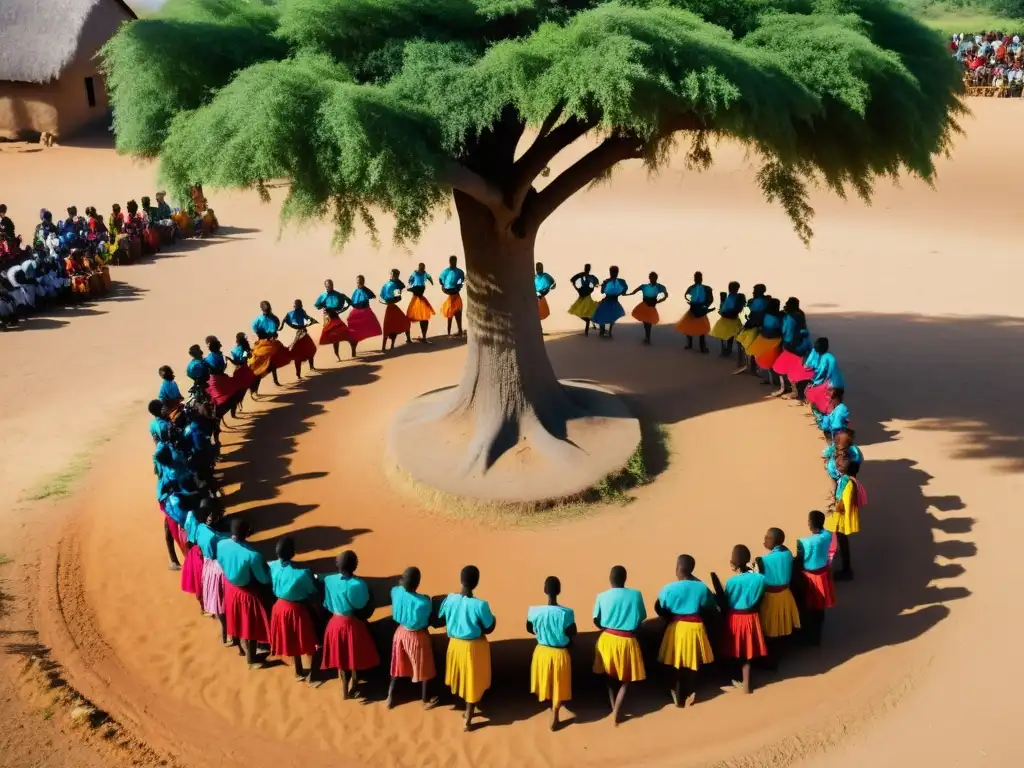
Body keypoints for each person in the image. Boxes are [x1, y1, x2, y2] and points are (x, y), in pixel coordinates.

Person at [436, 565, 496, 731]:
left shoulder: (450, 599)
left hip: (455, 645)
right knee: (473, 681)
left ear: (460, 580)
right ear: (476, 582)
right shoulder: (480, 605)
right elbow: (490, 627)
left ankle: (467, 711)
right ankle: (468, 717)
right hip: (473, 648)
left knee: (463, 678)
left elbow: (440, 618)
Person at [654, 555, 717, 708]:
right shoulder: (701, 587)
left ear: (678, 569)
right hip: (695, 628)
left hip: (676, 628)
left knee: (675, 662)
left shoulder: (668, 588)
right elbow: (709, 606)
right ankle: (690, 690)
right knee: (692, 662)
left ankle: (677, 692)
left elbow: (658, 607)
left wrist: (668, 616)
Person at [320, 550, 379, 698]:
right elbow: (361, 604)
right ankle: (352, 684)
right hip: (351, 625)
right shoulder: (357, 584)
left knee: (341, 658)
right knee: (352, 656)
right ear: (355, 566)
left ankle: (346, 688)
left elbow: (326, 602)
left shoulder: (329, 580)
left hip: (334, 623)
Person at [592, 564, 646, 724]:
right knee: (626, 679)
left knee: (609, 676)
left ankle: (612, 704)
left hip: (607, 639)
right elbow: (641, 617)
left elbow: (596, 620)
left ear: (610, 579)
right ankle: (617, 710)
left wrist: (606, 628)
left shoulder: (601, 596)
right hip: (628, 640)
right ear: (625, 579)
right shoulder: (636, 595)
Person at [216, 518, 273, 668]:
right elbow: (263, 579)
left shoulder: (221, 544)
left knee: (235, 617)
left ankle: (239, 644)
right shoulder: (252, 555)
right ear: (247, 533)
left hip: (230, 587)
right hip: (246, 592)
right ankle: (252, 659)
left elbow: (221, 562)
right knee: (250, 624)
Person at [710, 545, 767, 694]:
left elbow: (727, 600)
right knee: (748, 650)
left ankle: (743, 682)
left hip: (735, 618)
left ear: (732, 564)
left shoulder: (732, 582)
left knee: (737, 650)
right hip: (752, 617)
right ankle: (746, 681)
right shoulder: (760, 578)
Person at [527, 576, 577, 730]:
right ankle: (555, 712)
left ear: (544, 590)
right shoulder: (566, 613)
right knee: (558, 684)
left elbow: (529, 629)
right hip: (559, 654)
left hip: (541, 653)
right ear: (559, 591)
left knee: (546, 681)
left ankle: (550, 707)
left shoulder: (534, 611)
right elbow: (572, 632)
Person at [269, 537, 320, 682]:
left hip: (278, 608)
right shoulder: (302, 573)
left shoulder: (273, 566)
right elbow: (312, 591)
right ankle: (312, 674)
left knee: (291, 639)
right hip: (296, 610)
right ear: (292, 552)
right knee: (309, 638)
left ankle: (297, 670)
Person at [387, 566, 438, 709]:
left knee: (396, 666)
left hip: (400, 633)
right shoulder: (423, 602)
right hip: (417, 637)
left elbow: (397, 588)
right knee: (425, 666)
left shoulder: (395, 592)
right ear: (417, 584)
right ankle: (425, 698)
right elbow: (426, 619)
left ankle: (390, 695)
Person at [754, 529, 801, 660]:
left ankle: (772, 659)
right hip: (786, 595)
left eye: (768, 538)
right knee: (783, 622)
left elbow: (758, 578)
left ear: (774, 541)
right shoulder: (787, 553)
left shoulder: (762, 560)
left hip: (771, 598)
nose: (764, 539)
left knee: (770, 627)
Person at [795, 511, 835, 645]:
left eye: (809, 520)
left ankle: (810, 637)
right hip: (823, 575)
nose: (808, 523)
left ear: (811, 524)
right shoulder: (828, 535)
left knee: (809, 606)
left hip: (810, 578)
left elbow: (799, 561)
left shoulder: (803, 542)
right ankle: (818, 634)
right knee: (819, 607)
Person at [195, 499, 229, 645]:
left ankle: (225, 632)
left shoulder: (200, 527)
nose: (210, 517)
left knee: (216, 598)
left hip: (208, 565)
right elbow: (220, 541)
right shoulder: (215, 536)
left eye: (212, 514)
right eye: (208, 514)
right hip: (217, 566)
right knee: (221, 601)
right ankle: (226, 632)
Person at [826, 459, 862, 581]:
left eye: (843, 465)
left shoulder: (847, 483)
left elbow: (844, 501)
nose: (840, 464)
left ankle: (846, 570)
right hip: (840, 514)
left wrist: (835, 507)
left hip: (840, 516)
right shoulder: (849, 480)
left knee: (840, 539)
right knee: (841, 540)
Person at [770, 298, 811, 397]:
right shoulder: (800, 314)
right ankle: (796, 390)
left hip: (791, 346)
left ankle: (789, 390)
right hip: (803, 345)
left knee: (781, 367)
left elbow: (786, 332)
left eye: (787, 304)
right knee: (796, 367)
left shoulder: (790, 318)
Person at [249, 301, 288, 389]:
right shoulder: (275, 319)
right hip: (270, 344)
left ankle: (260, 385)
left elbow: (256, 331)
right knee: (272, 363)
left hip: (262, 344)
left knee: (258, 365)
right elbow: (274, 332)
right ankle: (275, 381)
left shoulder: (257, 320)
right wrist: (272, 334)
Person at [733, 283, 769, 374]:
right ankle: (750, 366)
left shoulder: (757, 301)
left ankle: (748, 365)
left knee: (747, 344)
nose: (753, 292)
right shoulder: (764, 300)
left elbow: (755, 315)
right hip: (758, 325)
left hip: (755, 325)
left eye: (755, 291)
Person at [314, 279, 353, 361]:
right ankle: (337, 354)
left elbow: (347, 303)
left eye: (331, 285)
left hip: (335, 316)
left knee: (344, 332)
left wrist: (345, 298)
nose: (329, 287)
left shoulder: (338, 294)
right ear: (325, 286)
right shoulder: (323, 296)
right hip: (328, 318)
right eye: (327, 286)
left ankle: (352, 347)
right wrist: (323, 307)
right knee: (333, 336)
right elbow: (317, 305)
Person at [675, 271, 714, 352]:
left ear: (701, 278)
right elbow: (686, 296)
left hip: (701, 310)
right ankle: (690, 344)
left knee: (702, 330)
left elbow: (710, 299)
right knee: (689, 328)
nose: (697, 279)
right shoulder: (692, 288)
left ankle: (701, 346)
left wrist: (705, 306)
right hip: (693, 309)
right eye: (696, 278)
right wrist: (690, 301)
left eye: (699, 277)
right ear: (694, 279)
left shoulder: (706, 288)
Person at [805, 338, 846, 415]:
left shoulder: (824, 358)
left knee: (817, 399)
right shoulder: (830, 356)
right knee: (838, 405)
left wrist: (814, 383)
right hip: (840, 384)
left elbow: (822, 373)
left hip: (831, 386)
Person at [628, 272, 668, 345]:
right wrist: (627, 294)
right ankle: (647, 337)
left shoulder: (659, 286)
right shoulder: (645, 286)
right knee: (646, 322)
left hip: (651, 307)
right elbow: (634, 291)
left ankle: (647, 337)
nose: (652, 279)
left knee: (648, 322)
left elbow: (666, 295)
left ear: (656, 278)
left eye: (654, 278)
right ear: (649, 278)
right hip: (644, 306)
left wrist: (660, 300)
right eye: (651, 277)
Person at [282, 299, 319, 378]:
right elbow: (286, 319)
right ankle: (298, 374)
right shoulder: (292, 313)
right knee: (298, 354)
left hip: (303, 333)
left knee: (310, 349)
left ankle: (311, 367)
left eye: (297, 304)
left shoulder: (302, 311)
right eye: (295, 304)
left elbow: (307, 318)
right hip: (299, 334)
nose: (295, 306)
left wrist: (310, 321)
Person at [710, 281, 747, 359]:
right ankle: (727, 350)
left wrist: (724, 311)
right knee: (725, 336)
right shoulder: (729, 296)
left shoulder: (737, 297)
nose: (730, 289)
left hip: (730, 319)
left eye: (732, 287)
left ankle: (729, 351)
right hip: (726, 318)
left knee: (729, 337)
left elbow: (735, 309)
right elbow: (724, 307)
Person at [347, 275, 382, 354]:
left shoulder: (366, 290)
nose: (358, 283)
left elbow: (372, 296)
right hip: (356, 312)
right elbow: (354, 303)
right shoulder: (356, 291)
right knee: (353, 331)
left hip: (365, 312)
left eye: (360, 282)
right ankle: (353, 348)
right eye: (357, 282)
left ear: (363, 282)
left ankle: (354, 346)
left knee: (368, 328)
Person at [591, 266, 628, 338]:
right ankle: (604, 331)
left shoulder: (614, 281)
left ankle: (606, 331)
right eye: (613, 272)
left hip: (612, 301)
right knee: (606, 316)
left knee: (609, 317)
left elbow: (603, 291)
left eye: (615, 272)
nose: (614, 273)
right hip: (608, 301)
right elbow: (602, 292)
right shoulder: (618, 281)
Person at [824, 428, 863, 495]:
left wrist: (827, 460)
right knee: (852, 480)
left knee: (834, 481)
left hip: (833, 470)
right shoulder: (854, 449)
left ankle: (834, 492)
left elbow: (826, 454)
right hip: (849, 470)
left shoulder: (833, 448)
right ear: (850, 443)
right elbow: (859, 459)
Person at [380, 269, 412, 351]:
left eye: (393, 275)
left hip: (393, 307)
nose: (391, 276)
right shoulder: (388, 284)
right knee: (388, 326)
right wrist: (387, 302)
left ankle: (406, 340)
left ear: (396, 276)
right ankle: (384, 347)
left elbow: (398, 298)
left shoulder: (396, 285)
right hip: (390, 308)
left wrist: (391, 301)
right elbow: (381, 297)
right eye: (391, 274)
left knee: (402, 322)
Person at [567, 264, 600, 335]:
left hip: (587, 296)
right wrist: (577, 289)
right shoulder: (582, 275)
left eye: (588, 268)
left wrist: (592, 289)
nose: (587, 269)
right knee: (582, 312)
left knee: (585, 312)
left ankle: (586, 332)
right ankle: (589, 325)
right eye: (586, 268)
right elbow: (572, 280)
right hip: (583, 295)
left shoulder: (591, 277)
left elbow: (597, 285)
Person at [406, 263, 435, 341]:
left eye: (423, 267)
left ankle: (424, 337)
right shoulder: (415, 273)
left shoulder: (425, 273)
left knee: (424, 318)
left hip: (420, 297)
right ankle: (408, 338)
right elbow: (410, 280)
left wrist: (432, 282)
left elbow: (429, 277)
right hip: (416, 297)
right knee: (409, 318)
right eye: (421, 267)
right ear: (419, 267)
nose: (422, 268)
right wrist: (410, 286)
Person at [438, 255, 466, 336]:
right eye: (452, 261)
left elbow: (462, 281)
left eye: (454, 261)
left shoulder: (460, 272)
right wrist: (443, 287)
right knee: (449, 315)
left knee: (458, 313)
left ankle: (459, 331)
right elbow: (440, 280)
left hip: (456, 294)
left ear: (456, 261)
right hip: (450, 294)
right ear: (450, 261)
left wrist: (460, 286)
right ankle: (449, 333)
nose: (453, 263)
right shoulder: (446, 271)